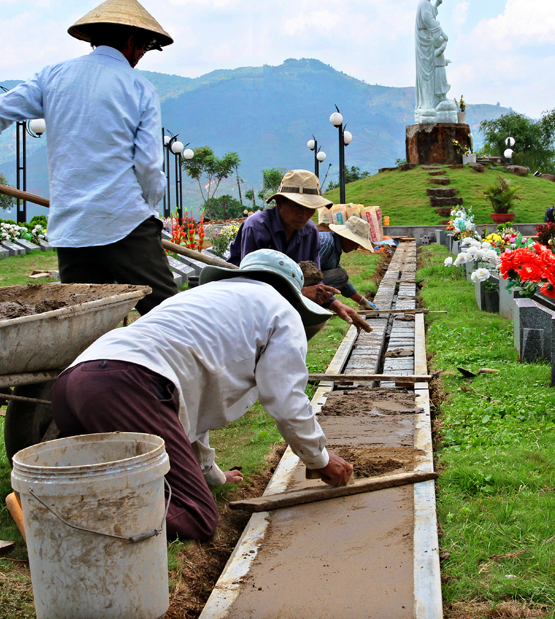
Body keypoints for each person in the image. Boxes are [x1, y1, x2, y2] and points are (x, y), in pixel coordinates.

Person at [52, 249, 355, 542]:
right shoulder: (282, 312)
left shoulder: (201, 299)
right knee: (196, 515)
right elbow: (287, 399)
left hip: (73, 383)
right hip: (130, 385)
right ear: (293, 293)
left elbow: (196, 404)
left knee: (115, 481)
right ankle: (64, 513)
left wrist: (213, 476)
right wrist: (320, 458)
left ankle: (58, 498)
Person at [0, 0, 177, 314]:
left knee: (80, 329)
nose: (140, 55)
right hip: (125, 223)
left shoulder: (52, 77)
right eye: (142, 46)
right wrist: (151, 211)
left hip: (73, 230)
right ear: (131, 41)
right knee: (170, 317)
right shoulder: (139, 88)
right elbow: (147, 166)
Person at [230, 169, 371, 332]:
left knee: (311, 324)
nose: (303, 215)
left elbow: (315, 279)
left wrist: (336, 304)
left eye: (310, 208)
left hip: (286, 298)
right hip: (247, 301)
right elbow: (252, 285)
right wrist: (301, 293)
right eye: (297, 206)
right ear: (280, 202)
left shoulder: (310, 231)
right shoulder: (257, 227)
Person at [318, 215, 378, 310]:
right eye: (356, 244)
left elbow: (342, 282)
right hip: (297, 283)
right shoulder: (327, 244)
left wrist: (362, 301)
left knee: (340, 274)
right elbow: (307, 273)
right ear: (348, 238)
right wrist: (333, 304)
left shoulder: (333, 247)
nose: (355, 248)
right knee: (341, 274)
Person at [415, 0, 451, 123]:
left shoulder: (426, 4)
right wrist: (441, 32)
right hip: (425, 41)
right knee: (427, 74)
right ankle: (427, 105)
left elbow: (430, 14)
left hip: (428, 40)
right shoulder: (423, 3)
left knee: (430, 75)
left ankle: (432, 104)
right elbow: (428, 19)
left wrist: (436, 5)